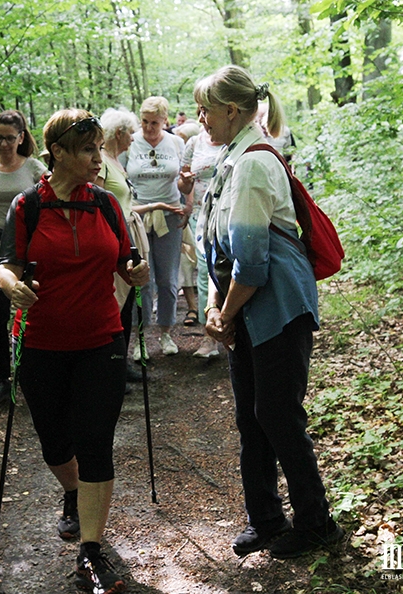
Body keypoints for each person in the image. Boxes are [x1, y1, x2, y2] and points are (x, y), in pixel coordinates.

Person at [0, 109, 149, 593]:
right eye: (87, 150)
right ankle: (72, 491)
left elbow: (126, 257)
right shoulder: (26, 207)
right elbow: (6, 265)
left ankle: (90, 553)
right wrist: (11, 287)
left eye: (99, 149)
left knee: (95, 441)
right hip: (42, 344)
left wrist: (135, 270)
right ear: (57, 153)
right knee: (54, 442)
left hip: (102, 340)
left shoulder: (105, 204)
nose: (96, 160)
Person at [194, 66, 343, 559]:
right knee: (252, 418)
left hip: (276, 308)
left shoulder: (255, 163)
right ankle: (267, 520)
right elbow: (219, 246)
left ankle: (317, 523)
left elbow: (253, 262)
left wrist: (225, 311)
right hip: (245, 308)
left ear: (231, 111)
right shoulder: (231, 160)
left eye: (206, 109)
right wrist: (217, 305)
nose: (200, 118)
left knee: (278, 416)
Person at [0, 110, 46, 404]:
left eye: (9, 138)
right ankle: (1, 379)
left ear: (21, 138)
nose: (4, 144)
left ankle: (34, 372)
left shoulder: (34, 169)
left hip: (28, 252)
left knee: (31, 311)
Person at [123, 96, 186, 358]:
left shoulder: (176, 143)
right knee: (142, 278)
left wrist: (188, 202)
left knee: (167, 278)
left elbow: (183, 180)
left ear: (165, 121)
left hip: (169, 214)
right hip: (138, 215)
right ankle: (140, 339)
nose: (149, 128)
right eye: (145, 122)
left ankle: (166, 333)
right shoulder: (131, 142)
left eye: (155, 123)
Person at [97, 107, 149, 389]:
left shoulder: (116, 161)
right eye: (130, 131)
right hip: (114, 239)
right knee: (116, 303)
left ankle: (123, 362)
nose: (133, 137)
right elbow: (100, 203)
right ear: (119, 133)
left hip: (127, 235)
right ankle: (111, 366)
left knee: (128, 303)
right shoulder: (102, 162)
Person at [177, 122, 224, 358]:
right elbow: (182, 183)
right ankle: (210, 338)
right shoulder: (194, 143)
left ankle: (237, 330)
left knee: (233, 271)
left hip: (228, 214)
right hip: (200, 216)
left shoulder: (231, 139)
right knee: (206, 272)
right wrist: (186, 182)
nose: (205, 118)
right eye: (202, 113)